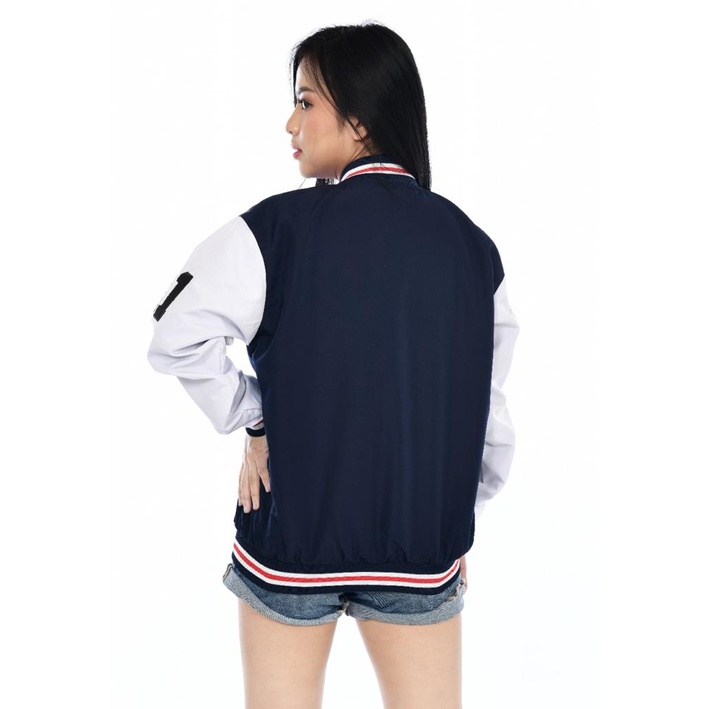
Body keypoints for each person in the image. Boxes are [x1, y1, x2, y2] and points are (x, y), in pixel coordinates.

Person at [147, 21, 519, 709]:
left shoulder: (273, 231)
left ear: (360, 117)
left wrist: (255, 419)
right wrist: (451, 512)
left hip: (292, 540)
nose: (290, 123)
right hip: (418, 545)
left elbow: (177, 336)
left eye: (305, 101)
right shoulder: (473, 247)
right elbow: (486, 411)